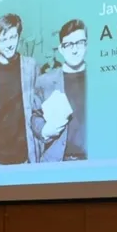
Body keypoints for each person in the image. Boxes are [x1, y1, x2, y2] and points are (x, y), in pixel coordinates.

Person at [0, 14, 42, 166]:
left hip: (25, 159)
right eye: (3, 39)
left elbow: (39, 111)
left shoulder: (31, 67)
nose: (9, 44)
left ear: (19, 36)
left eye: (13, 37)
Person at [32, 19, 88, 162]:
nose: (74, 50)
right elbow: (34, 116)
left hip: (93, 161)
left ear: (86, 45)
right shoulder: (45, 81)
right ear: (61, 49)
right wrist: (44, 130)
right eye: (69, 45)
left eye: (79, 43)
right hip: (57, 161)